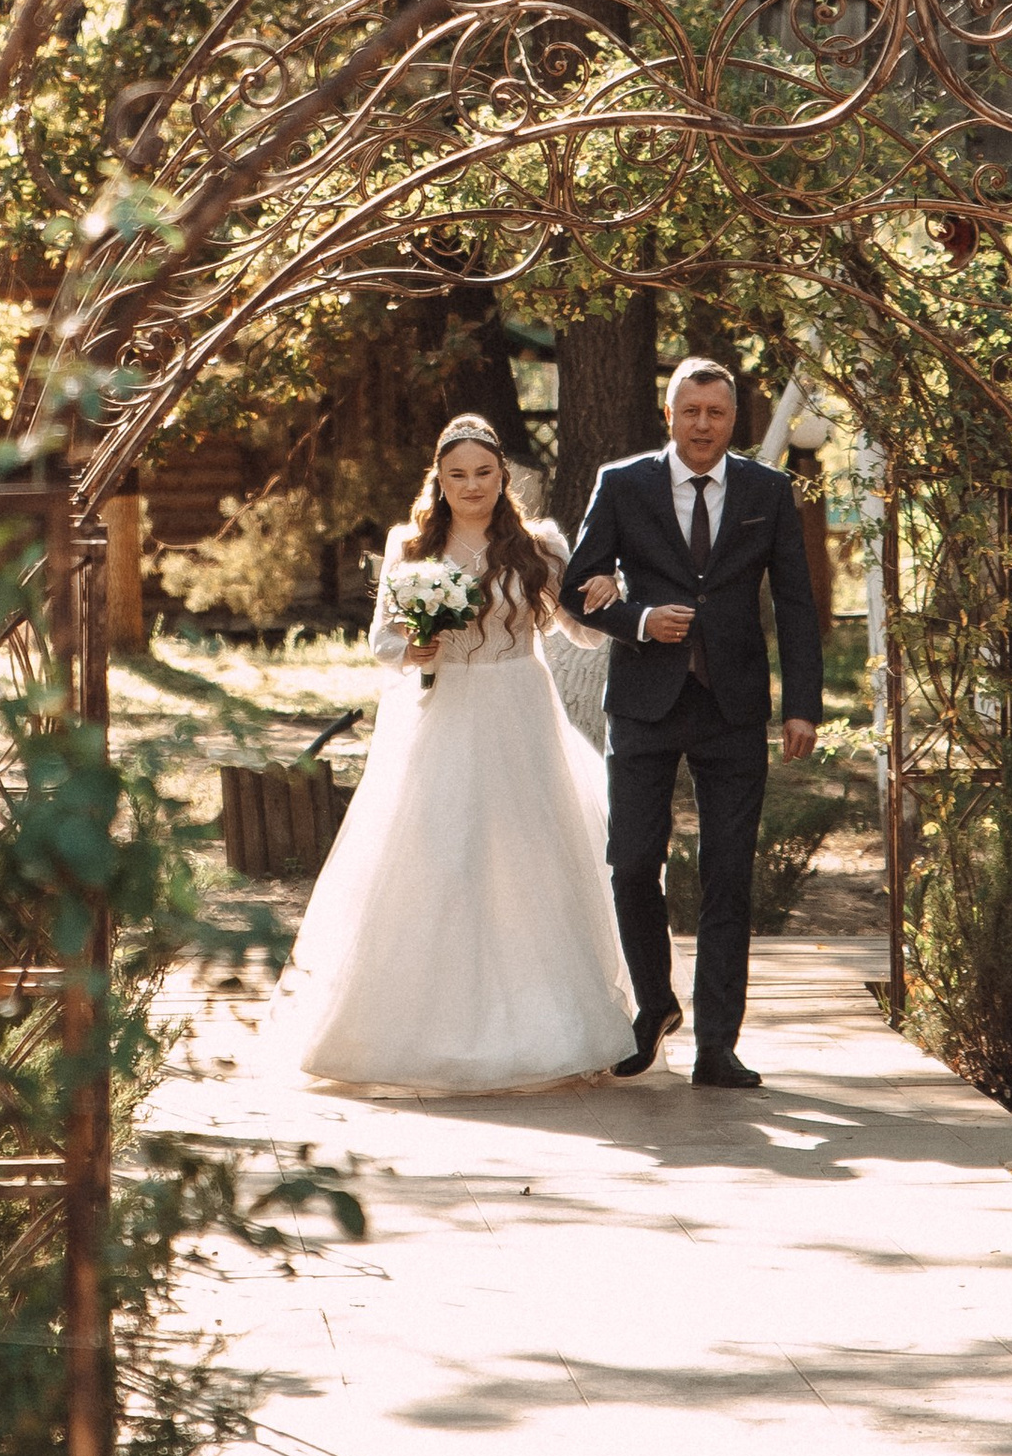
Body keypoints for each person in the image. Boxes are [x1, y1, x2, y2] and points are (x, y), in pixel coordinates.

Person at [262, 415, 637, 1094]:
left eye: (483, 473)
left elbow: (580, 635)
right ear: (438, 476)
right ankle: (420, 1029)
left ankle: (544, 1028)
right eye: (457, 474)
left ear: (503, 476)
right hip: (444, 714)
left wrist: (610, 594)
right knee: (441, 858)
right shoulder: (411, 546)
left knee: (525, 862)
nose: (471, 486)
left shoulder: (538, 545)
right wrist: (418, 646)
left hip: (520, 712)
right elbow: (380, 639)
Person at [560, 355, 824, 1092]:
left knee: (728, 877)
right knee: (633, 862)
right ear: (668, 415)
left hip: (734, 707)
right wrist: (639, 618)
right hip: (644, 701)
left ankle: (719, 1045)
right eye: (690, 411)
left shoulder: (768, 490)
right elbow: (575, 591)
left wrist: (804, 703)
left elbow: (797, 602)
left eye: (715, 412)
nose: (702, 424)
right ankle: (654, 1007)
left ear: (732, 419)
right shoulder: (623, 483)